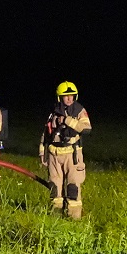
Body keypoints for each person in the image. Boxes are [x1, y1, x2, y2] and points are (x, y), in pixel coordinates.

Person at [41, 80, 92, 218]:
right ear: (60, 97)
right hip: (54, 155)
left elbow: (86, 128)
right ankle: (56, 218)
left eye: (72, 95)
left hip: (72, 154)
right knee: (55, 189)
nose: (69, 98)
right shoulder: (53, 111)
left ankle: (74, 219)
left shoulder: (79, 110)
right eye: (66, 96)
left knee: (73, 189)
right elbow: (46, 133)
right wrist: (42, 153)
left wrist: (67, 121)